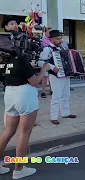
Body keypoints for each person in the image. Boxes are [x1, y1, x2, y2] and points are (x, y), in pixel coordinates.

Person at [0, 34, 51, 179]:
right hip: (24, 94)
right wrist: (44, 69)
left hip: (9, 93)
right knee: (24, 134)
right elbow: (34, 81)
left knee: (8, 131)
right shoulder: (21, 58)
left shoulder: (2, 61)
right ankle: (19, 169)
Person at [38, 30, 76, 125]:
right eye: (58, 39)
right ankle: (53, 116)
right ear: (52, 39)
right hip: (55, 75)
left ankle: (65, 112)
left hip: (65, 74)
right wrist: (52, 67)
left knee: (66, 95)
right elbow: (40, 62)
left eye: (61, 38)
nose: (60, 40)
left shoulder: (62, 48)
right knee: (56, 96)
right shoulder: (47, 49)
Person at [40, 26, 53, 98]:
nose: (50, 33)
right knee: (44, 76)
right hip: (45, 60)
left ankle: (52, 90)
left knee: (52, 76)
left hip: (52, 60)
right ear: (45, 32)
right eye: (49, 32)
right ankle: (43, 91)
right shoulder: (43, 40)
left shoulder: (52, 39)